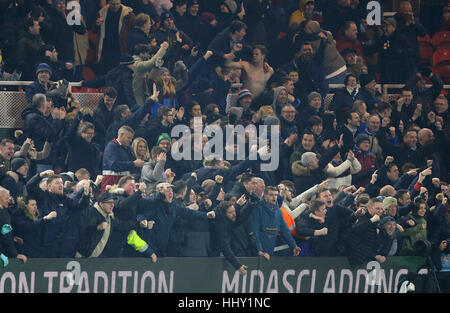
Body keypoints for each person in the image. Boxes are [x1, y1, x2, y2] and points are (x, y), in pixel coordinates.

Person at [25, 171, 90, 257]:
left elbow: (79, 207)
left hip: (60, 242)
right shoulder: (43, 196)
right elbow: (29, 186)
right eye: (57, 183)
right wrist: (40, 175)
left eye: (61, 183)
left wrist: (86, 195)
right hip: (43, 242)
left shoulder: (65, 199)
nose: (60, 185)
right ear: (49, 186)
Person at [76, 191, 137, 258]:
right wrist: (97, 228)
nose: (112, 205)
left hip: (95, 257)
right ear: (101, 204)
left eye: (113, 203)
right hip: (82, 256)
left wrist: (138, 224)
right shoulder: (92, 213)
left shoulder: (109, 216)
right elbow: (82, 231)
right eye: (109, 203)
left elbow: (121, 225)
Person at [210, 196, 259, 275]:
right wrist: (238, 266)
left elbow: (241, 217)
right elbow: (225, 247)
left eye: (234, 211)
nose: (234, 214)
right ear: (224, 214)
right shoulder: (220, 226)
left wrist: (250, 204)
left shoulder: (228, 220)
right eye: (230, 212)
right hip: (215, 257)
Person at [251, 186, 301, 259]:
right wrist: (259, 250)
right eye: (271, 195)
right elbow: (255, 232)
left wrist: (294, 246)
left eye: (275, 195)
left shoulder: (279, 212)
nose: (274, 197)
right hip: (257, 253)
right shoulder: (257, 209)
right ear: (265, 197)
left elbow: (285, 231)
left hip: (270, 252)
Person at [96, 0, 136, 74]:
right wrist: (97, 25)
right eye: (113, 4)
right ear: (109, 3)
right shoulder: (102, 12)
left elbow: (134, 29)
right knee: (107, 70)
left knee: (118, 70)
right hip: (107, 45)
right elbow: (95, 30)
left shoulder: (128, 14)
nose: (115, 6)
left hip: (120, 46)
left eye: (117, 4)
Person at [101, 126, 145, 192]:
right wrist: (134, 164)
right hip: (111, 182)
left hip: (124, 183)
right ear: (121, 135)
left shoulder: (128, 149)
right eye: (129, 138)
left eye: (131, 138)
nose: (130, 140)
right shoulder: (111, 146)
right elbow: (113, 165)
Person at [344, 197, 386, 266]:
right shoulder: (363, 218)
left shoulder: (378, 221)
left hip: (365, 260)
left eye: (381, 209)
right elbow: (355, 230)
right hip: (354, 260)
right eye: (377, 208)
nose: (380, 211)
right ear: (369, 208)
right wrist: (371, 221)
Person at [0, 187, 28, 265]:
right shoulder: (2, 214)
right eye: (6, 198)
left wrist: (12, 238)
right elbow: (6, 235)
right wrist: (15, 254)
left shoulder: (4, 211)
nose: (9, 201)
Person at [16, 17, 45, 81]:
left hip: (40, 76)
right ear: (30, 28)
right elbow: (21, 61)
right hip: (30, 78)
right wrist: (32, 74)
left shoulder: (39, 40)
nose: (39, 27)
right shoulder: (23, 42)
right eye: (37, 25)